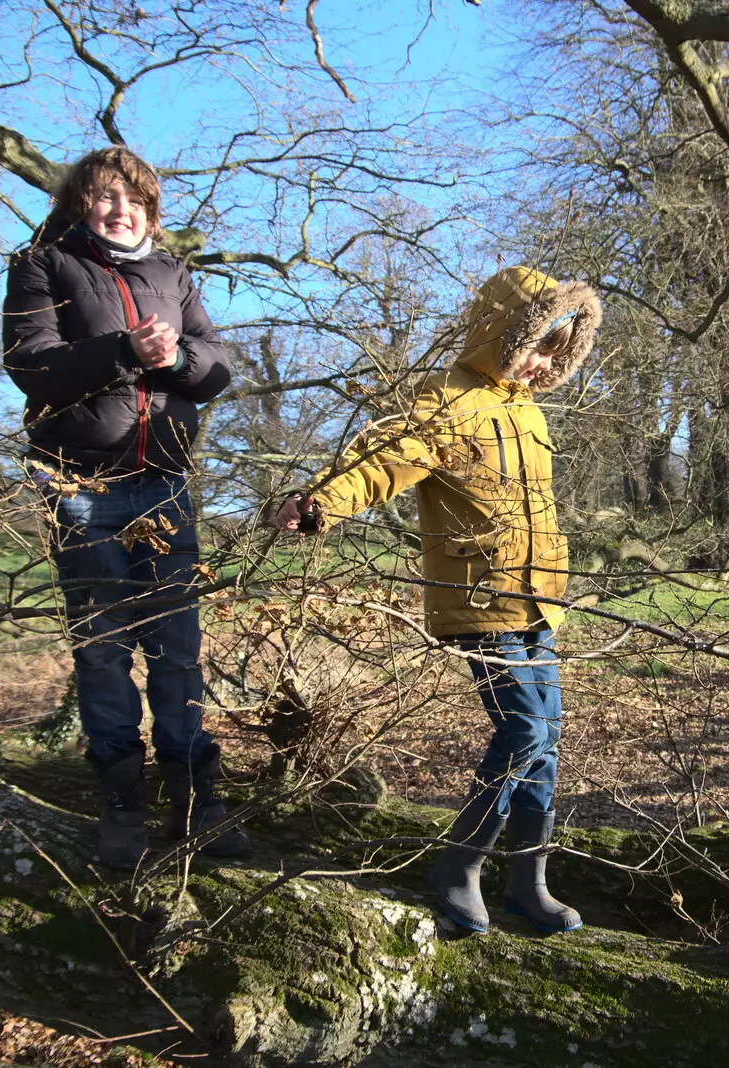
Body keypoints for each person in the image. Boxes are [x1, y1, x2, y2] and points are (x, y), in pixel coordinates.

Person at [273, 266, 601, 933]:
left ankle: (527, 884)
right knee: (524, 730)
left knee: (549, 742)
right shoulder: (446, 399)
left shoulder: (527, 409)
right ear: (503, 334)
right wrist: (320, 501)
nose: (546, 362)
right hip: (479, 597)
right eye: (540, 344)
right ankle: (459, 866)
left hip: (541, 599)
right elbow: (381, 460)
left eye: (559, 350)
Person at [2, 146, 247, 870]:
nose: (121, 209)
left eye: (133, 198)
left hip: (165, 484)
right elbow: (30, 363)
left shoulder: (173, 273)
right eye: (107, 196)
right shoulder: (43, 265)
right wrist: (124, 350)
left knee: (177, 647)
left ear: (151, 208)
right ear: (81, 203)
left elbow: (218, 367)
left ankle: (198, 799)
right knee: (104, 648)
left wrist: (174, 360)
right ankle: (121, 800)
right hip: (81, 486)